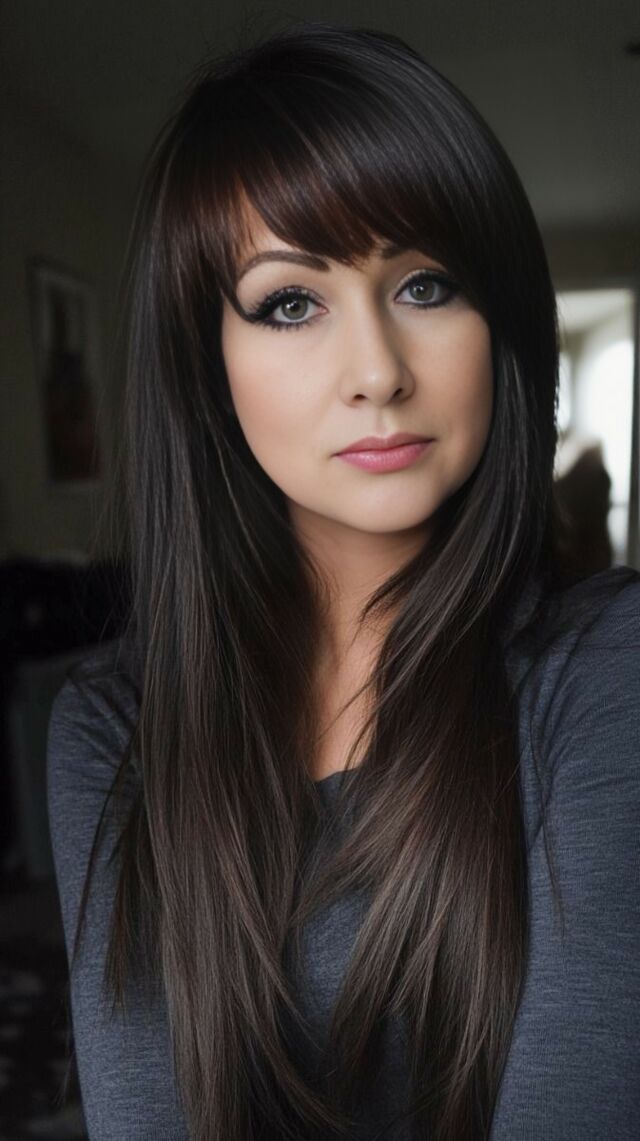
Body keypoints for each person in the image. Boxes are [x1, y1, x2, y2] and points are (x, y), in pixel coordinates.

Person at [46, 19, 640, 1141]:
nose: (377, 371)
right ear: (206, 364)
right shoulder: (112, 728)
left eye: (426, 285)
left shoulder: (606, 666)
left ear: (501, 320)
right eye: (290, 302)